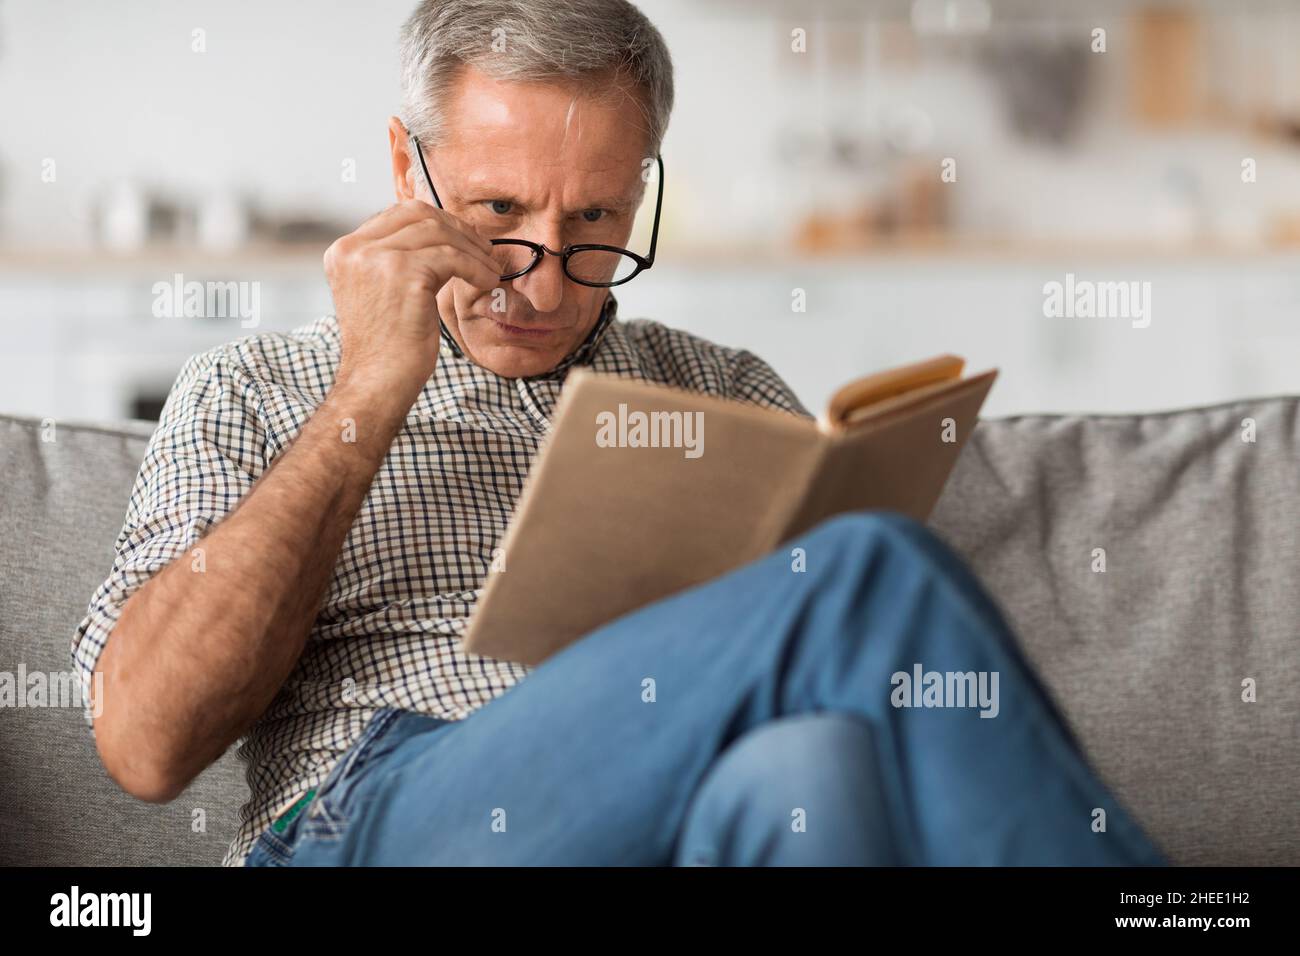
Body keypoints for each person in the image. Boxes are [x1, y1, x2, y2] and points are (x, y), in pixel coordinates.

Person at [72, 0, 1165, 867]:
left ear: (640, 191)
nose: (542, 281)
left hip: (676, 810)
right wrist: (371, 387)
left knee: (814, 771)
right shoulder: (254, 386)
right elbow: (146, 742)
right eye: (499, 215)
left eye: (593, 221)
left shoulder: (719, 384)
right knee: (866, 569)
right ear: (411, 171)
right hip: (381, 816)